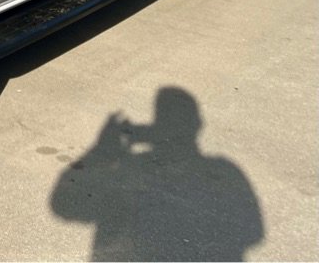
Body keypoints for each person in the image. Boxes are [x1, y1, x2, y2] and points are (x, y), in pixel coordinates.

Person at [50, 87, 263, 261]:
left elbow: (63, 206)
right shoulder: (226, 169)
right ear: (198, 124)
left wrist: (101, 148)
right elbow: (254, 234)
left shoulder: (132, 166)